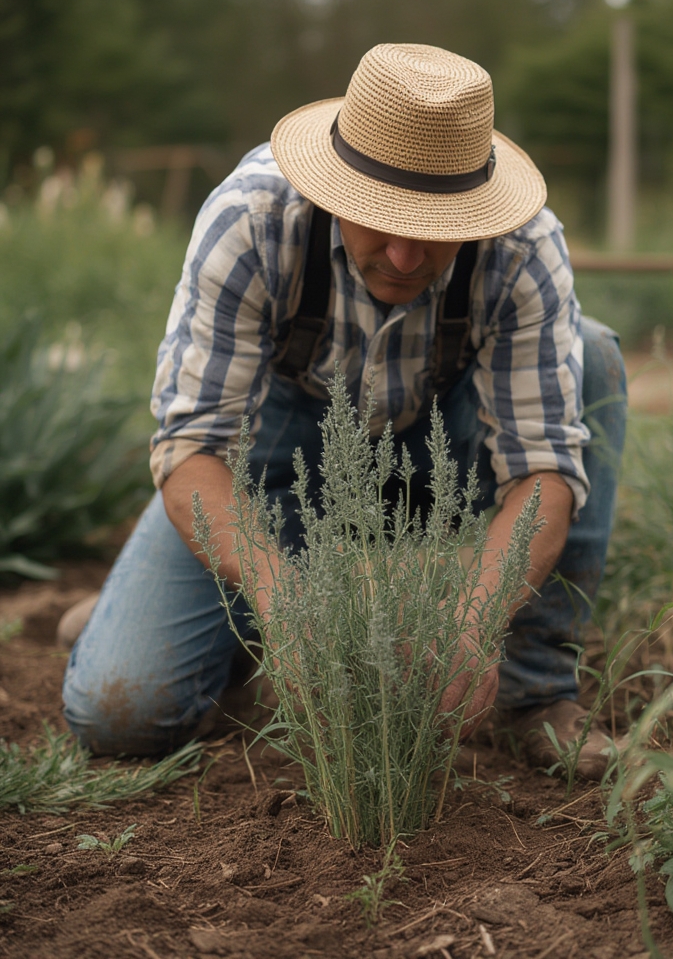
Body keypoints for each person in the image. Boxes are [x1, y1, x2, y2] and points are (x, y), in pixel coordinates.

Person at [61, 43, 626, 779]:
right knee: (122, 713)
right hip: (280, 457)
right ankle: (183, 632)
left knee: (597, 356)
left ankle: (533, 693)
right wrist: (288, 609)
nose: (401, 255)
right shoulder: (252, 220)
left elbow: (544, 469)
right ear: (334, 189)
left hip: (451, 453)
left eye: (434, 226)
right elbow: (191, 449)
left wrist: (472, 622)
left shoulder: (523, 245)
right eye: (379, 219)